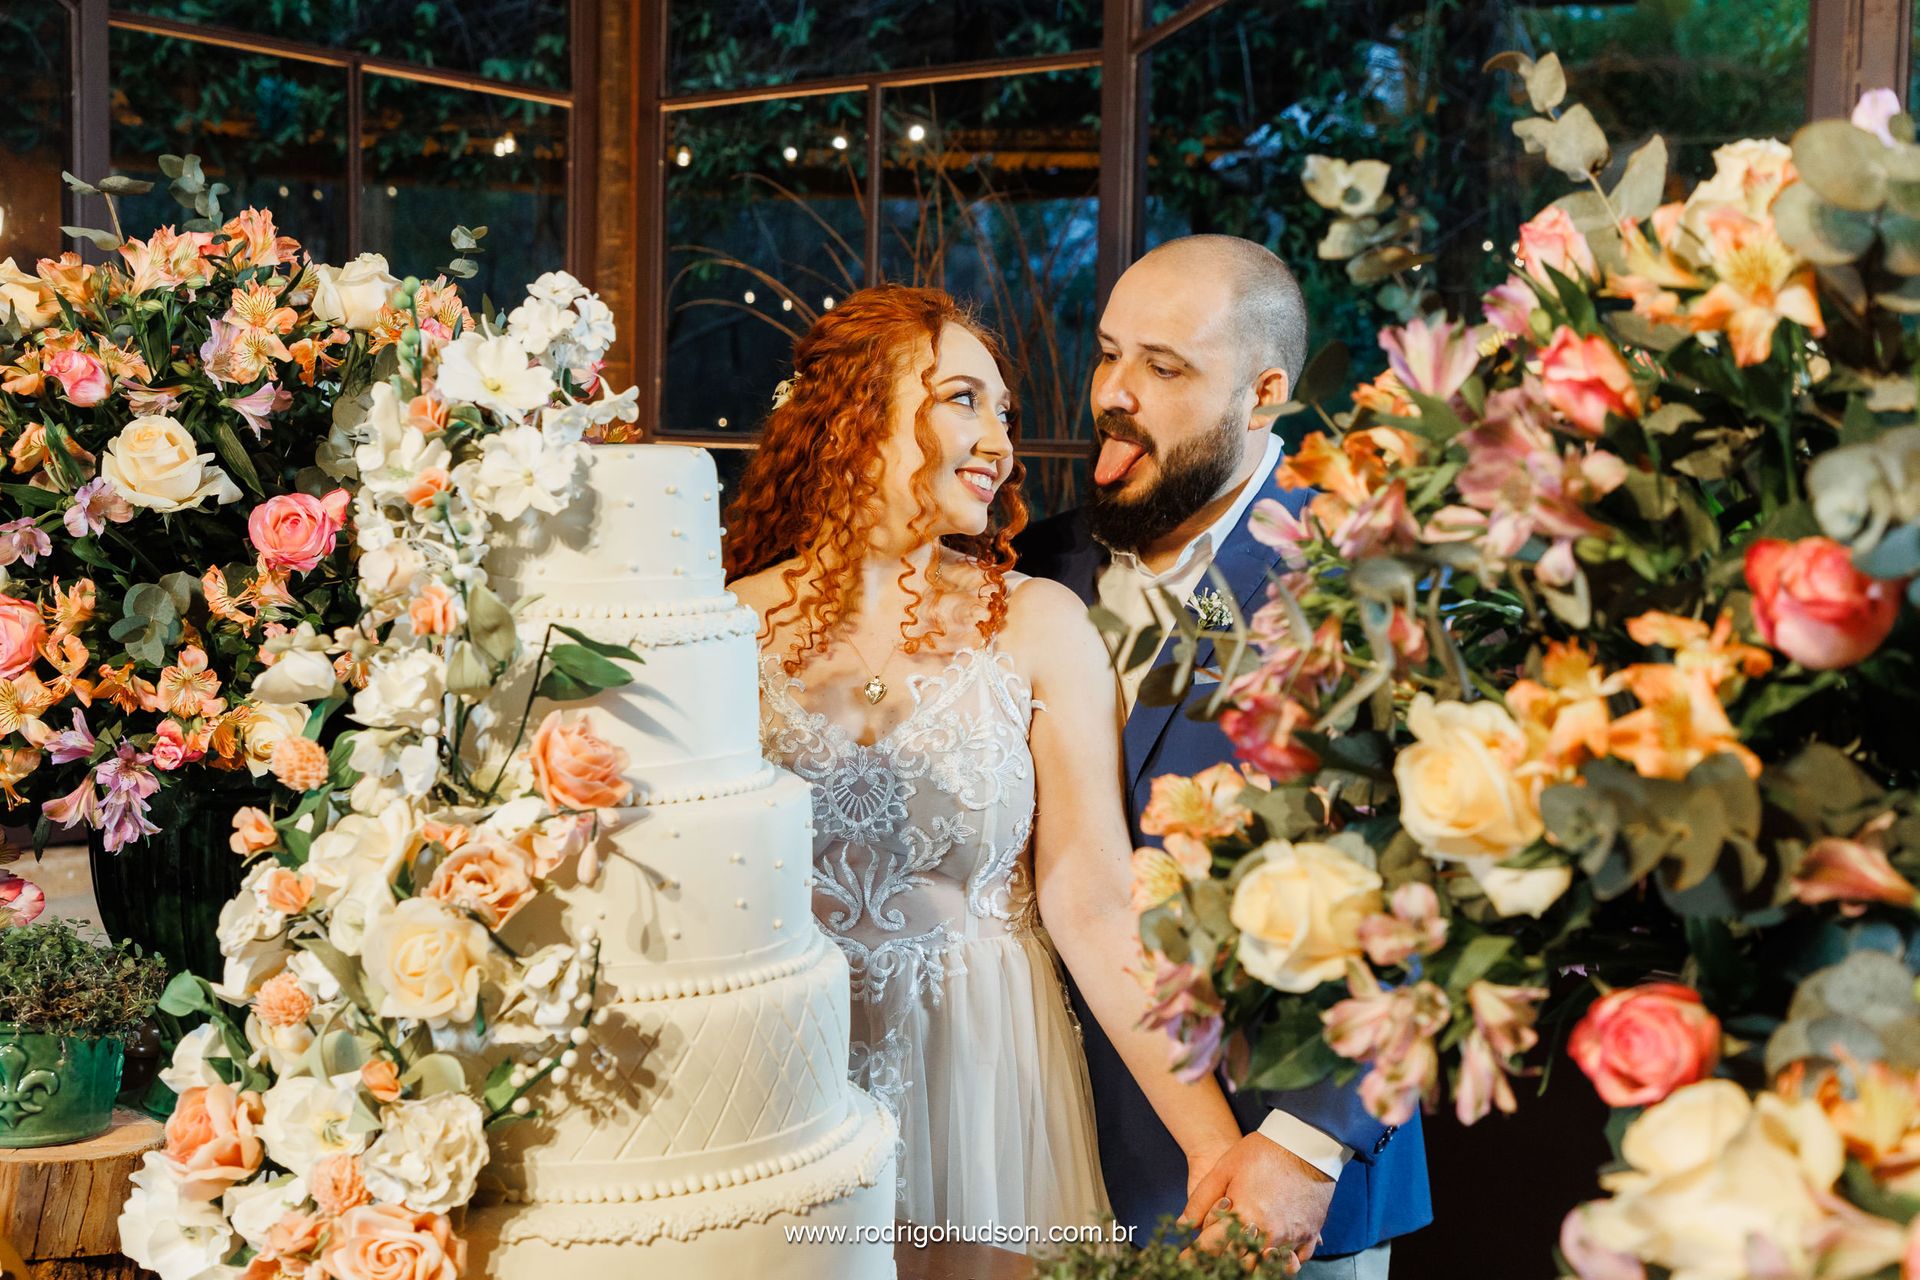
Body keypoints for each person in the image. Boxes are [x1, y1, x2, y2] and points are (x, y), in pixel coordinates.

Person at [724, 284, 1267, 1255]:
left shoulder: (1035, 622)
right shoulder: (725, 627)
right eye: (963, 399)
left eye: (1004, 414)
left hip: (989, 1088)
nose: (1000, 444)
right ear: (856, 407)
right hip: (788, 1081)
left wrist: (1212, 1147)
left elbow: (1095, 905)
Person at [1014, 235, 1432, 1278]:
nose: (1114, 392)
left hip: (1276, 1173)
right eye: (1108, 353)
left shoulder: (1368, 575)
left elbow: (1430, 880)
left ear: (1265, 392)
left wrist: (1307, 1140)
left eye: (1164, 367)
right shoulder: (1032, 566)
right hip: (1041, 1150)